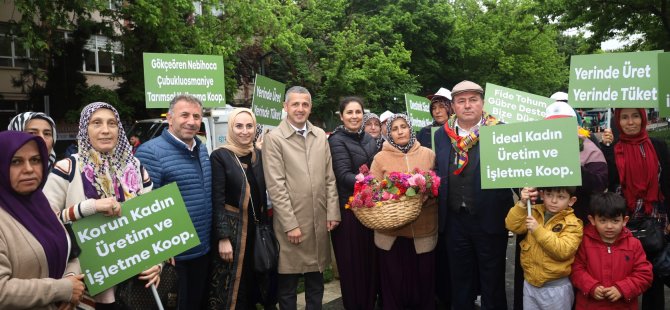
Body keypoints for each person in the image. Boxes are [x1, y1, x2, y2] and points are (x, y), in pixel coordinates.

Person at [42, 102, 160, 308]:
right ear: (84, 129)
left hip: (134, 281)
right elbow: (43, 223)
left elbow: (153, 220)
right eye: (96, 123)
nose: (105, 130)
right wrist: (90, 207)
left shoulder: (136, 167)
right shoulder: (67, 168)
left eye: (112, 123)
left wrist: (157, 262)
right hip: (84, 282)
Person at [433, 80, 513, 310]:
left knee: (493, 280)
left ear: (482, 103)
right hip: (454, 220)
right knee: (460, 280)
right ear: (454, 106)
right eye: (461, 101)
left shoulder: (500, 130)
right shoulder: (441, 135)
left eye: (473, 100)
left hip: (490, 218)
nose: (467, 105)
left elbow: (516, 171)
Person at [262, 86, 340, 309]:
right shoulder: (274, 138)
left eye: (305, 104)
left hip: (318, 222)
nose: (300, 109)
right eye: (295, 104)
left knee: (316, 284)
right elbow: (276, 186)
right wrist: (290, 224)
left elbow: (329, 178)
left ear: (310, 107)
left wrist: (332, 212)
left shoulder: (319, 137)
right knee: (288, 287)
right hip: (292, 225)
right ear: (285, 107)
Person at [135, 94, 213, 309]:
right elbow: (146, 208)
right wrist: (159, 254)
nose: (191, 121)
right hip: (174, 256)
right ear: (169, 118)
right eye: (185, 115)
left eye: (196, 116)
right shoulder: (151, 152)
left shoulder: (201, 148)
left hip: (202, 249)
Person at [0, 131, 85, 310]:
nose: (29, 169)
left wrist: (71, 280)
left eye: (35, 160)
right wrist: (62, 289)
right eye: (16, 161)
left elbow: (71, 252)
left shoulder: (41, 204)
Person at [599, 108, 670, 310]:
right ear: (618, 121)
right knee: (620, 280)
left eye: (635, 116)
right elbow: (608, 181)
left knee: (652, 279)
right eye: (624, 117)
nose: (630, 122)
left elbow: (667, 185)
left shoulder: (658, 146)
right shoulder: (613, 148)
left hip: (655, 222)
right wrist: (606, 148)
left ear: (643, 118)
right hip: (622, 223)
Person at [206, 108, 277, 309]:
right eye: (239, 126)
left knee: (257, 285)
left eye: (249, 126)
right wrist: (223, 238)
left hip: (257, 233)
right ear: (231, 128)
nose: (244, 131)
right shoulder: (220, 156)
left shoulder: (258, 155)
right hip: (234, 235)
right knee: (235, 290)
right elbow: (217, 199)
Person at [370, 113, 438, 309]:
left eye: (403, 126)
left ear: (410, 128)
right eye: (394, 128)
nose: (400, 131)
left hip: (423, 230)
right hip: (392, 234)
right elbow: (372, 190)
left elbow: (438, 186)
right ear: (388, 133)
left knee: (424, 284)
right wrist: (389, 197)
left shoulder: (428, 154)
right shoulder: (380, 158)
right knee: (395, 285)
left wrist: (428, 195)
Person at [328, 97, 379, 309]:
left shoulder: (369, 138)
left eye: (358, 112)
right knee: (352, 268)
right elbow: (342, 175)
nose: (354, 116)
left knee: (370, 264)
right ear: (341, 116)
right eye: (349, 112)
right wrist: (368, 181)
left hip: (369, 210)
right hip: (348, 209)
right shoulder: (336, 140)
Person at [571, 192, 653, 310]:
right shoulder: (583, 242)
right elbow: (575, 269)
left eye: (615, 221)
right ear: (592, 220)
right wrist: (591, 286)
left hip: (623, 306)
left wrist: (622, 289)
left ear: (624, 221)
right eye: (603, 220)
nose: (609, 226)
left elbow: (644, 275)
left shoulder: (634, 245)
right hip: (589, 305)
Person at [505, 186, 583, 310]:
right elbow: (512, 225)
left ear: (571, 201)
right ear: (542, 195)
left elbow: (563, 251)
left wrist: (537, 230)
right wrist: (522, 203)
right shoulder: (534, 211)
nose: (554, 201)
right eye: (549, 195)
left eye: (561, 197)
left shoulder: (573, 223)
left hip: (556, 288)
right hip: (530, 284)